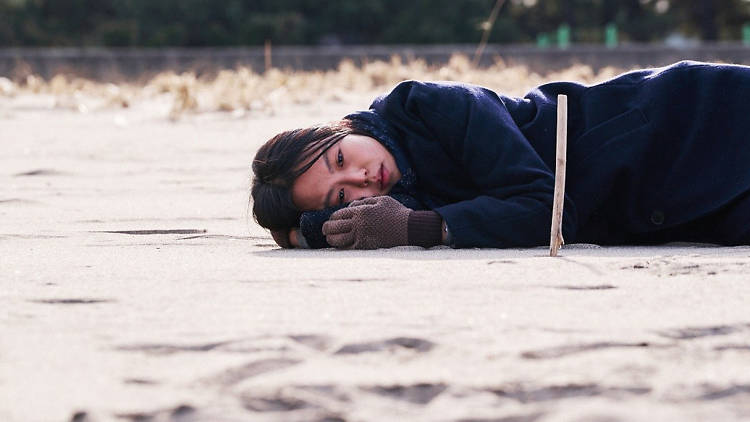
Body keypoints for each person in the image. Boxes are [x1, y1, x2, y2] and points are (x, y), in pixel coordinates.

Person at [251, 60, 750, 249]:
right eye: (343, 197)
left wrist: (415, 228)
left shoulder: (432, 106)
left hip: (692, 123)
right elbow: (344, 220)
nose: (365, 180)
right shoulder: (404, 191)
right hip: (683, 206)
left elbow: (547, 210)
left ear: (341, 127)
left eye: (341, 159)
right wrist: (304, 233)